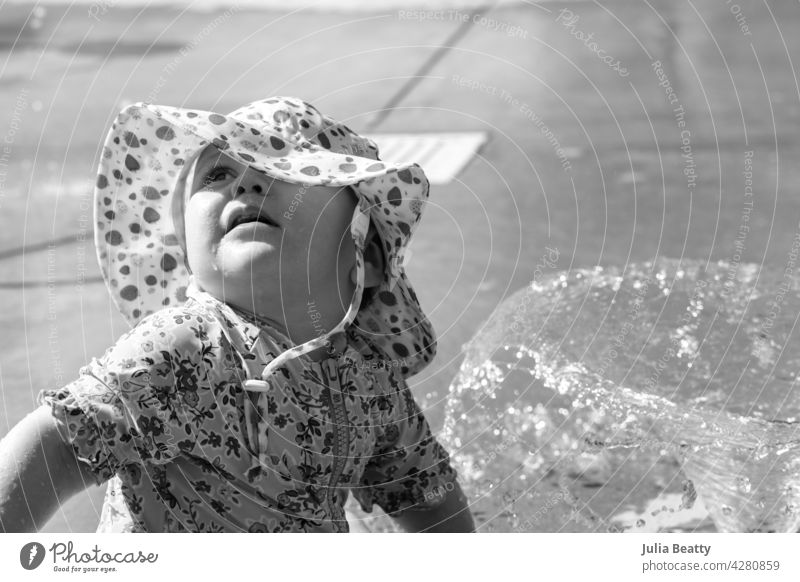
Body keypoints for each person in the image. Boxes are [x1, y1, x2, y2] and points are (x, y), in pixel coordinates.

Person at [0, 96, 474, 533]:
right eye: (216, 176)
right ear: (189, 255)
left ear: (364, 258)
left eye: (287, 169)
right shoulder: (184, 345)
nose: (246, 182)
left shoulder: (370, 380)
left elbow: (427, 498)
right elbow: (56, 448)